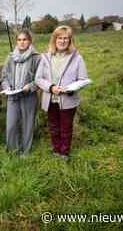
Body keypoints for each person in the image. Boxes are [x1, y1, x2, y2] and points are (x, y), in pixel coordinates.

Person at [35, 25, 91, 162]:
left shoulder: (77, 58)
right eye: (60, 38)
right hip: (50, 99)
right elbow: (38, 78)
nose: (63, 41)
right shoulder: (45, 57)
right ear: (54, 40)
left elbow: (83, 79)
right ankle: (56, 150)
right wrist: (51, 87)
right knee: (53, 126)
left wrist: (71, 89)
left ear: (70, 40)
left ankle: (64, 153)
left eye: (66, 38)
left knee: (66, 127)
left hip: (68, 100)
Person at [1, 29, 41, 157]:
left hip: (28, 96)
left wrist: (29, 87)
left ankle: (25, 152)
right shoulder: (10, 57)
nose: (22, 42)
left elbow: (40, 79)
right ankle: (13, 150)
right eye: (19, 40)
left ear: (30, 41)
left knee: (27, 125)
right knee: (11, 125)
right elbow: (4, 76)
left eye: (24, 39)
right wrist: (7, 87)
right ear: (16, 41)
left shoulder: (36, 58)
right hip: (13, 96)